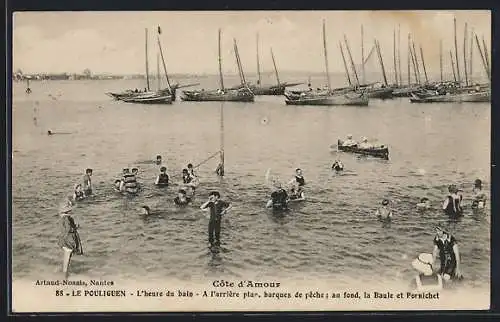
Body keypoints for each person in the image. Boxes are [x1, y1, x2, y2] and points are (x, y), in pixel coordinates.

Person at [57, 197, 83, 279]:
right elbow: (68, 229)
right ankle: (65, 276)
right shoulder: (67, 218)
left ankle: (65, 274)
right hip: (68, 240)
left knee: (66, 258)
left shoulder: (62, 218)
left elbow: (64, 229)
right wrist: (75, 228)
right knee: (67, 258)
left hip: (64, 239)